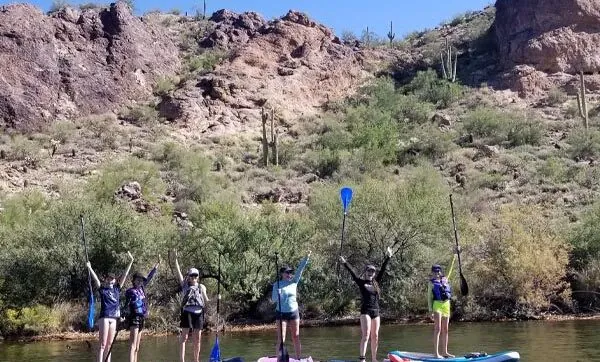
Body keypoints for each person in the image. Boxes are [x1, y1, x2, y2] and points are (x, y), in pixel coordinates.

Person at [339, 246, 394, 362]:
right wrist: (345, 263)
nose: (371, 273)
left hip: (376, 311)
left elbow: (383, 269)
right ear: (366, 272)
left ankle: (374, 359)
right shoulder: (361, 282)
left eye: (373, 271)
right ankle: (362, 359)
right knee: (366, 335)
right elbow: (352, 273)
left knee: (376, 336)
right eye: (369, 270)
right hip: (365, 312)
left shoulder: (376, 283)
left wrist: (388, 257)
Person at [86, 252, 134, 362]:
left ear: (115, 280)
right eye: (108, 279)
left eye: (112, 279)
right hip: (105, 317)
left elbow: (125, 274)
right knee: (102, 344)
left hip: (114, 318)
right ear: (106, 280)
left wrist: (131, 261)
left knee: (109, 344)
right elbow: (96, 280)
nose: (110, 280)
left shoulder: (117, 288)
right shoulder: (103, 289)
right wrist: (90, 268)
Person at [272, 251, 311, 360]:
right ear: (282, 274)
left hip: (293, 313)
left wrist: (306, 257)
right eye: (287, 272)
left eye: (290, 272)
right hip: (281, 314)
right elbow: (274, 299)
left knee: (296, 337)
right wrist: (278, 293)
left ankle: (298, 358)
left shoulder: (294, 281)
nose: (289, 274)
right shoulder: (277, 285)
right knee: (281, 338)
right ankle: (279, 359)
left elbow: (300, 270)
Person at [174, 250, 210, 362]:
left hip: (199, 314)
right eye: (192, 275)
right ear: (189, 276)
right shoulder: (185, 285)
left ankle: (196, 360)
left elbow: (206, 300)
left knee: (197, 339)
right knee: (184, 337)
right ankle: (182, 360)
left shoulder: (202, 287)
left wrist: (216, 299)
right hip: (187, 313)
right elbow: (178, 272)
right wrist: (175, 260)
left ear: (198, 277)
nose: (194, 277)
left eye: (195, 275)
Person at [124, 256, 160, 362]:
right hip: (134, 318)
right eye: (138, 280)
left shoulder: (142, 288)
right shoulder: (130, 291)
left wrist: (156, 266)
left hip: (141, 318)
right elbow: (126, 304)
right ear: (134, 281)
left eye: (141, 280)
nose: (140, 281)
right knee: (133, 345)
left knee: (137, 347)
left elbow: (149, 277)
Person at [428, 250, 457, 359]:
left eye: (438, 271)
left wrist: (454, 255)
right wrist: (430, 310)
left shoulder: (445, 278)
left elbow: (450, 267)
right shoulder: (431, 283)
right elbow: (429, 298)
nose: (436, 273)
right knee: (438, 328)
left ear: (440, 271)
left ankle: (445, 352)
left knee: (446, 329)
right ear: (432, 272)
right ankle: (436, 353)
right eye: (434, 271)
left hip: (446, 305)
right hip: (437, 305)